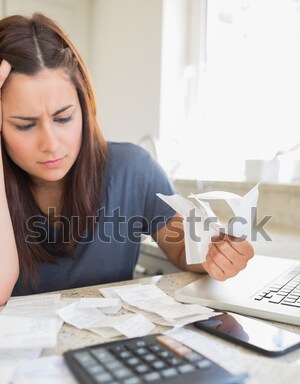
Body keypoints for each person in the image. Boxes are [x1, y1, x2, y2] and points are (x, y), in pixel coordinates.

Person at [0, 13, 254, 304]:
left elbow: (185, 249)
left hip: (109, 346)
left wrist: (219, 254)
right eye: (25, 125)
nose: (51, 143)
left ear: (84, 108)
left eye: (64, 118)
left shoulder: (133, 170)